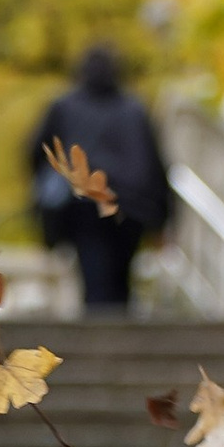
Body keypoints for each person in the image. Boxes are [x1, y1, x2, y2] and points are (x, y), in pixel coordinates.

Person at [29, 44, 171, 314]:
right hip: (131, 206)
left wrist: (41, 203)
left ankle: (100, 337)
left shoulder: (64, 106)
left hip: (83, 204)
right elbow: (155, 165)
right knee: (121, 279)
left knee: (94, 276)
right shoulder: (134, 109)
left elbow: (38, 153)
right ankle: (118, 337)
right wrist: (163, 217)